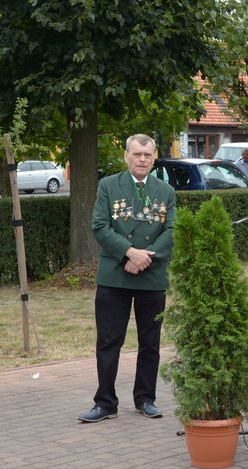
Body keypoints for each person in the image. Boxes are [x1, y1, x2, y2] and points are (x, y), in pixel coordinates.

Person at [78, 134, 176, 423]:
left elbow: (172, 231)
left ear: (155, 156)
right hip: (115, 277)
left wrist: (145, 257)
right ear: (126, 156)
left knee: (150, 343)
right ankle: (105, 402)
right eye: (136, 154)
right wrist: (129, 253)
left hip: (152, 275)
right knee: (109, 342)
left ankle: (145, 399)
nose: (142, 160)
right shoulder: (108, 186)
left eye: (147, 155)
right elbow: (100, 226)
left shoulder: (166, 190)